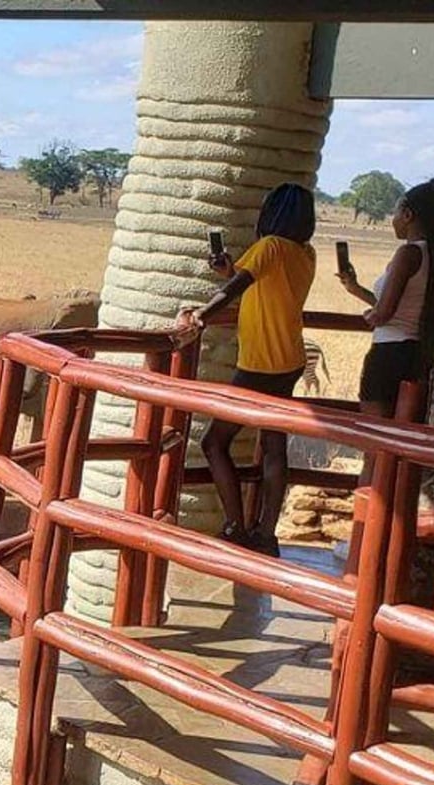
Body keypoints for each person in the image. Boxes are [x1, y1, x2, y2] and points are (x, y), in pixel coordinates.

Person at [171, 182, 318, 556]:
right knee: (273, 447)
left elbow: (238, 287)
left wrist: (201, 315)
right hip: (289, 360)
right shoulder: (305, 253)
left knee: (213, 442)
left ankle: (235, 526)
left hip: (259, 363)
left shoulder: (269, 247)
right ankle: (265, 535)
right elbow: (261, 285)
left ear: (272, 213)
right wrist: (230, 270)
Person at [338, 178, 434, 419]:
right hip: (419, 355)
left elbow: (383, 313)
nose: (393, 220)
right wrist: (355, 288)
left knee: (375, 433)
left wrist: (371, 317)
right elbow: (399, 305)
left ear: (408, 215)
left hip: (388, 356)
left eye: (396, 213)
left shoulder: (407, 253)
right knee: (403, 435)